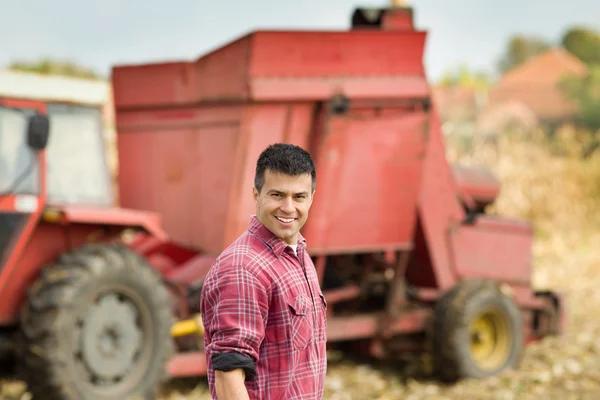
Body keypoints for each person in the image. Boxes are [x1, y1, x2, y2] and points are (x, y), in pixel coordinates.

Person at [200, 143, 327, 400]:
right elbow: (229, 377)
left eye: (299, 197)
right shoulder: (243, 269)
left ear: (312, 197)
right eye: (277, 195)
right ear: (257, 195)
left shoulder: (299, 254)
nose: (289, 208)